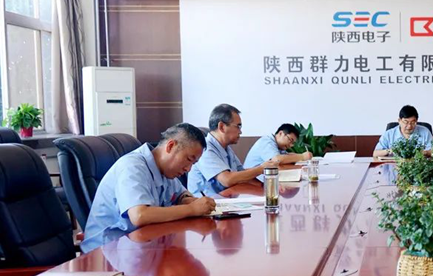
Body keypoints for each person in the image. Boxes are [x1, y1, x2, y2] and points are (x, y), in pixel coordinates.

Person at [81, 123, 217, 253]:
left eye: (193, 163)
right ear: (170, 146)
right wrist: (192, 209)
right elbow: (140, 215)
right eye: (188, 159)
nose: (188, 169)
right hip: (105, 253)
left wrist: (187, 200)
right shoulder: (132, 167)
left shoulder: (165, 170)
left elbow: (181, 194)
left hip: (138, 245)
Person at [187, 104, 277, 196]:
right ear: (222, 127)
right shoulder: (205, 149)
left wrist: (265, 186)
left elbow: (241, 174)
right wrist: (261, 168)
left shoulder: (226, 148)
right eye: (238, 126)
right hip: (208, 202)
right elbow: (227, 180)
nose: (240, 131)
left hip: (225, 198)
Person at [244, 123, 311, 168]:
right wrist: (302, 156)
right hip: (251, 181)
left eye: (293, 143)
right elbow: (277, 160)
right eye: (290, 140)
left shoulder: (279, 147)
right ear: (280, 133)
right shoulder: (267, 142)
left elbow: (285, 158)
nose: (291, 145)